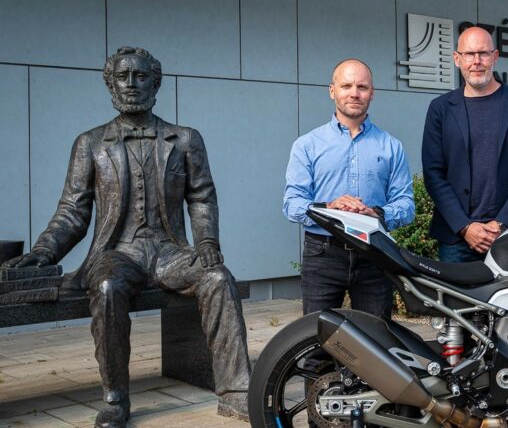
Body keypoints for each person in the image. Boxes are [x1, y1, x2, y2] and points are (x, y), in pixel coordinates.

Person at [0, 47, 250, 427]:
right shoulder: (89, 143)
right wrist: (43, 252)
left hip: (171, 252)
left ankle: (236, 392)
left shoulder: (185, 139)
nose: (131, 84)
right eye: (122, 76)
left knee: (218, 278)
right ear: (111, 84)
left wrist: (207, 244)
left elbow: (201, 197)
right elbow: (73, 211)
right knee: (106, 288)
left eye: (141, 76)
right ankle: (115, 400)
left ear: (156, 83)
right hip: (118, 252)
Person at [283, 59, 414, 319]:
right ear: (332, 91)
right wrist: (329, 208)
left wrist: (377, 213)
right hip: (323, 253)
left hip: (374, 253)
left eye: (362, 87)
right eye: (346, 86)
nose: (354, 93)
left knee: (376, 336)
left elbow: (406, 206)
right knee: (317, 334)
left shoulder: (391, 146)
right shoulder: (307, 145)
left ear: (372, 93)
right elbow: (292, 203)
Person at [422, 26, 508, 262]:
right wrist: (465, 226)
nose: (476, 61)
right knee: (457, 290)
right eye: (469, 54)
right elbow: (433, 174)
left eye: (483, 53)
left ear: (495, 56)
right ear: (457, 59)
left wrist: (501, 224)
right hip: (457, 239)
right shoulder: (440, 109)